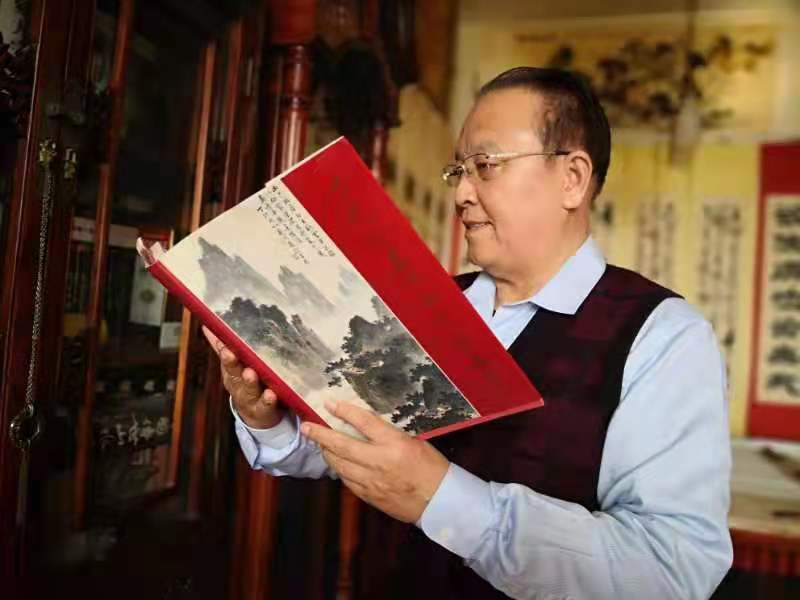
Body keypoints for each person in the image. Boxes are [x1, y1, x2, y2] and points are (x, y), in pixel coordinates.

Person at [203, 67, 732, 599]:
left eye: (485, 166)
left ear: (572, 178)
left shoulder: (661, 336)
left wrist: (443, 498)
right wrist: (267, 417)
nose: (461, 193)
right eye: (458, 169)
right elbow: (348, 449)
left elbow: (669, 572)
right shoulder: (422, 307)